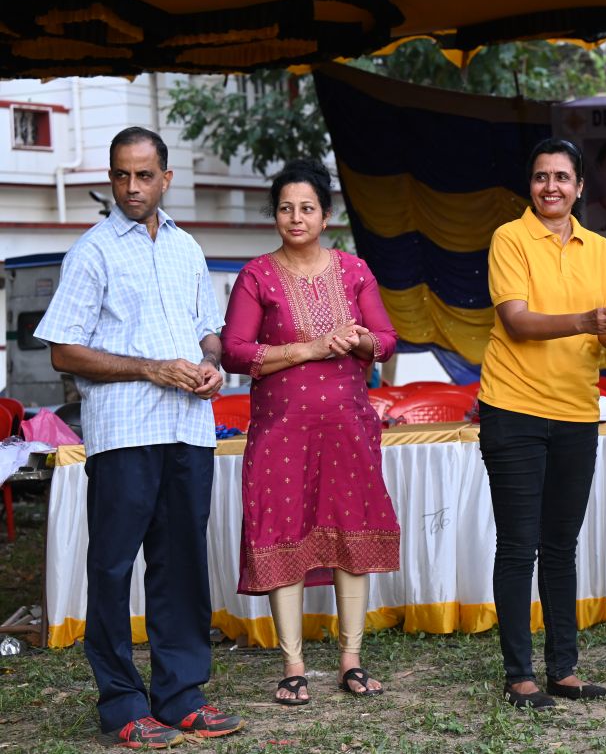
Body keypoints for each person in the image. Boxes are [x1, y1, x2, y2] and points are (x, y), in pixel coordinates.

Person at [34, 127, 245, 747]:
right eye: (122, 175)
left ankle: (181, 696)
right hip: (125, 433)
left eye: (144, 175)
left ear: (166, 179)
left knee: (181, 567)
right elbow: (63, 352)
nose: (132, 187)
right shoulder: (92, 252)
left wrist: (211, 363)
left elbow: (207, 331)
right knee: (113, 567)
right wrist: (152, 368)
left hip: (189, 429)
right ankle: (122, 705)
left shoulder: (187, 247)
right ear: (110, 178)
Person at [221, 160, 400, 705]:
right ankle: (293, 666)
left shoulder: (354, 271)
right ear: (275, 215)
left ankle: (351, 660)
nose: (295, 218)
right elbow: (235, 351)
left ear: (325, 216)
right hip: (281, 433)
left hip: (347, 428)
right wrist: (309, 348)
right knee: (284, 531)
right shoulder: (257, 275)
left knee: (352, 532)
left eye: (307, 208)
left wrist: (358, 340)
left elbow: (387, 340)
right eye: (285, 208)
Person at [478, 138, 606, 709]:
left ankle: (564, 670)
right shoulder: (510, 238)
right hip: (513, 408)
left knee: (561, 545)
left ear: (580, 187)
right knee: (519, 546)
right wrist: (589, 319)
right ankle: (519, 675)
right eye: (542, 176)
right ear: (531, 184)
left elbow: (605, 334)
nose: (551, 187)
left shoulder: (600, 248)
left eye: (562, 177)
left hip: (576, 411)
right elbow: (517, 321)